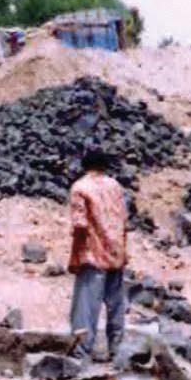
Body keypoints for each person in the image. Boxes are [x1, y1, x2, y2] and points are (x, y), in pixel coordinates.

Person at [67, 149, 129, 362]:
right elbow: (123, 220)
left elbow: (80, 226)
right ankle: (117, 353)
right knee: (116, 307)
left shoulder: (80, 188)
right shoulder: (115, 186)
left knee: (85, 308)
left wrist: (75, 256)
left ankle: (81, 355)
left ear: (84, 166)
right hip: (116, 254)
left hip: (93, 256)